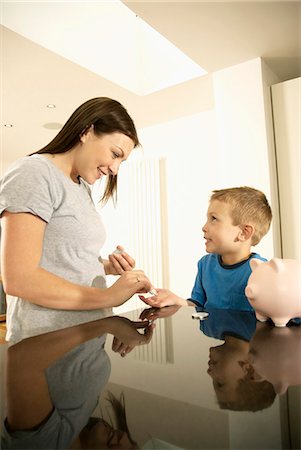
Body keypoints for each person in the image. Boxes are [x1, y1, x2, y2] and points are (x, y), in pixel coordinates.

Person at [0, 97, 153, 345]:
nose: (115, 169)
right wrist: (110, 297)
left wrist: (106, 267)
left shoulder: (81, 186)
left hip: (88, 339)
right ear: (86, 132)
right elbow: (20, 279)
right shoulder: (33, 173)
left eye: (121, 161)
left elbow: (59, 260)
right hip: (47, 342)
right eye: (115, 154)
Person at [140, 186, 272, 311]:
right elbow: (198, 305)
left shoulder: (262, 272)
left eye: (214, 219)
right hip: (212, 336)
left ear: (244, 232)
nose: (204, 227)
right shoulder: (205, 264)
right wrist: (175, 300)